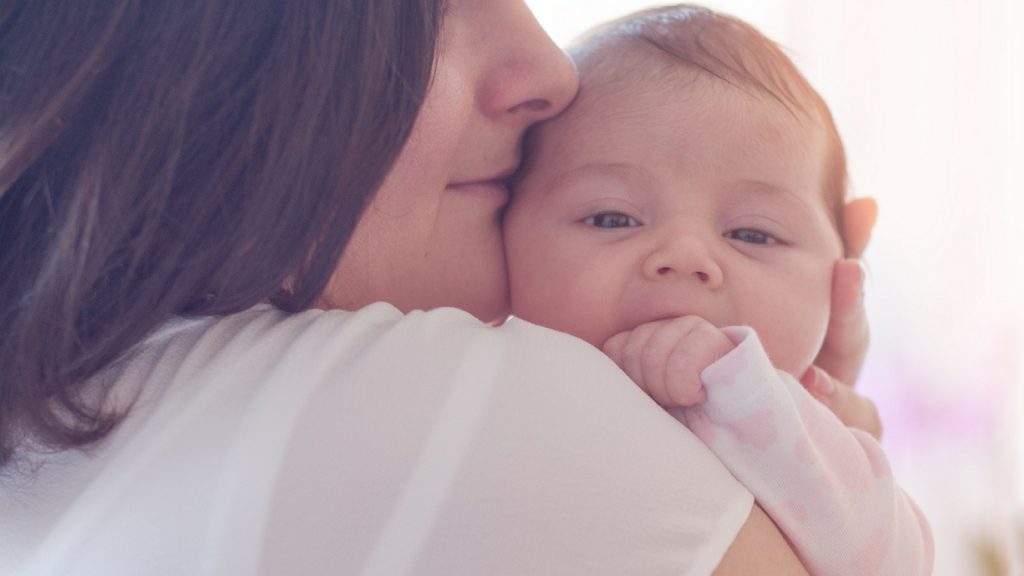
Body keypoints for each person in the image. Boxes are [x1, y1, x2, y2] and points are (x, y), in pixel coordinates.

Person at [0, 1, 872, 574]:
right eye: (436, 12)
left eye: (754, 234)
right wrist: (808, 460)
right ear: (230, 54)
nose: (550, 70)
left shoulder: (80, 409)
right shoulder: (446, 404)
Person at [504, 4, 931, 575]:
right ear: (500, 230)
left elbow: (894, 558)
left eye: (753, 233)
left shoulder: (811, 426)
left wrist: (742, 396)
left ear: (841, 272)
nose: (685, 257)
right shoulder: (481, 372)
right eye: (611, 218)